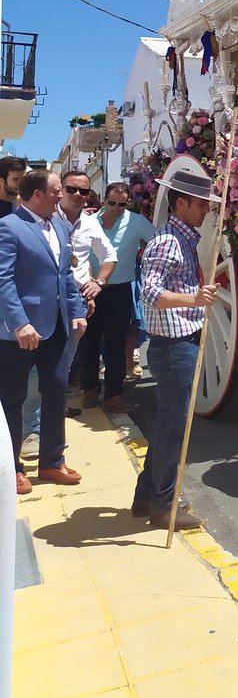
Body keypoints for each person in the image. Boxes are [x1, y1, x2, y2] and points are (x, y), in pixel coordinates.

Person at [131, 170, 219, 530]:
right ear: (181, 204)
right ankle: (163, 505)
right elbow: (148, 292)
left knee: (170, 426)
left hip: (178, 344)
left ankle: (145, 497)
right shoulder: (168, 241)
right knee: (173, 430)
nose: (206, 212)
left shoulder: (181, 239)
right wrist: (194, 298)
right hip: (173, 347)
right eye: (201, 205)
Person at [0, 171, 87, 494]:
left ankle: (51, 461)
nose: (60, 196)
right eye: (56, 191)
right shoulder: (9, 228)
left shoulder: (61, 226)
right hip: (18, 334)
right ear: (37, 194)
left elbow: (67, 275)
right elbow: (3, 280)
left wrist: (77, 313)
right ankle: (13, 468)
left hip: (56, 329)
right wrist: (19, 323)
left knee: (56, 393)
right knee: (12, 399)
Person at [21, 169, 118, 454]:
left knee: (61, 369)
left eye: (84, 191)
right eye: (71, 189)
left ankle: (49, 431)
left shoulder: (90, 223)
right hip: (43, 301)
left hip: (74, 301)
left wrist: (98, 282)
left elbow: (109, 255)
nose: (77, 195)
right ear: (59, 190)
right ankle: (31, 433)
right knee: (35, 373)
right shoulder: (46, 219)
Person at [78, 182, 154, 413]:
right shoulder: (87, 221)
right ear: (104, 200)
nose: (116, 208)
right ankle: (90, 389)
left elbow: (157, 243)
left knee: (116, 343)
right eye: (112, 203)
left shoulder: (137, 222)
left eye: (122, 204)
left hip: (120, 289)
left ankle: (113, 393)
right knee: (88, 341)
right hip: (89, 288)